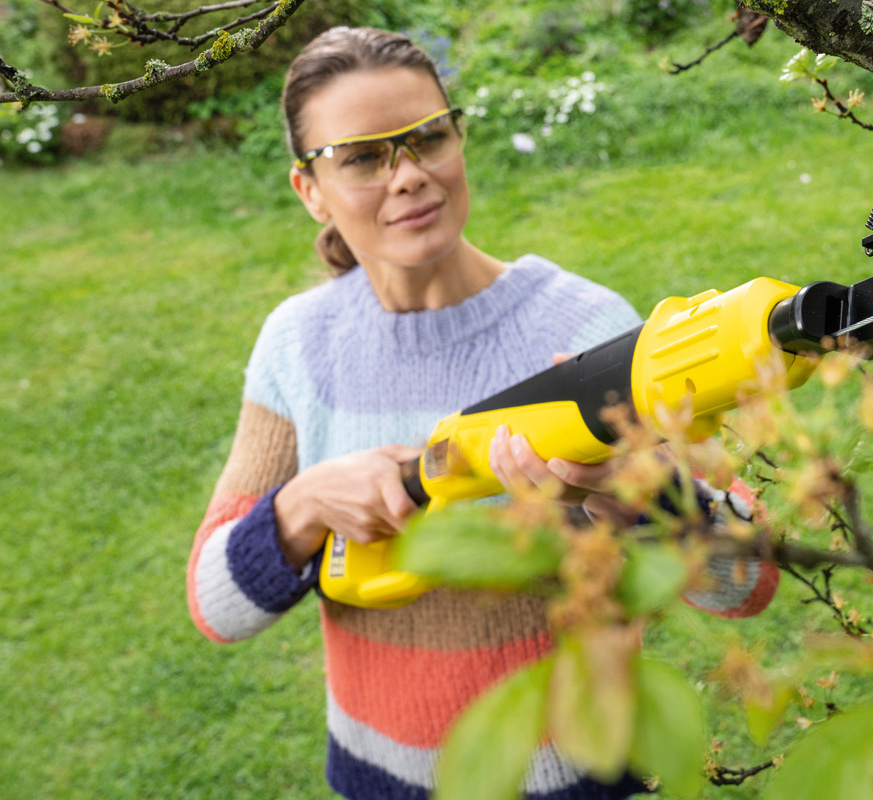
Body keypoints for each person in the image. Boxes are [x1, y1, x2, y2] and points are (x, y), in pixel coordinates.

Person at [184, 27, 778, 800]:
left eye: (428, 138)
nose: (409, 176)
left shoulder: (584, 332)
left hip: (574, 778)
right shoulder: (297, 345)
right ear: (309, 190)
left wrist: (622, 486)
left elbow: (746, 582)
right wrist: (303, 504)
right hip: (375, 776)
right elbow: (215, 604)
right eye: (363, 157)